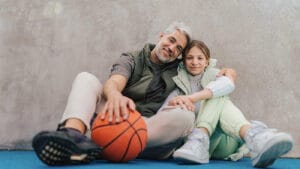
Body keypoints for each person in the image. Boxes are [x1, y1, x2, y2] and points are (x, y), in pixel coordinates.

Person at [31, 21, 238, 166]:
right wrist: (115, 96)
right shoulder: (132, 58)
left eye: (178, 48)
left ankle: (102, 148)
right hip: (115, 118)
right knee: (86, 78)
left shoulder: (179, 68)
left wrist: (228, 72)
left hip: (149, 132)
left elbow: (202, 64)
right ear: (161, 36)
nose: (172, 48)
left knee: (185, 115)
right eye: (171, 40)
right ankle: (73, 135)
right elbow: (113, 82)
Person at [161, 40, 294, 168]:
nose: (195, 62)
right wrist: (178, 106)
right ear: (184, 61)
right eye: (190, 58)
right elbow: (163, 117)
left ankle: (251, 137)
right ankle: (254, 136)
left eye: (200, 58)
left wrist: (191, 98)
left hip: (225, 143)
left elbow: (228, 83)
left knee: (218, 91)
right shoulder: (177, 89)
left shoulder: (217, 76)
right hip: (190, 144)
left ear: (207, 61)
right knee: (218, 95)